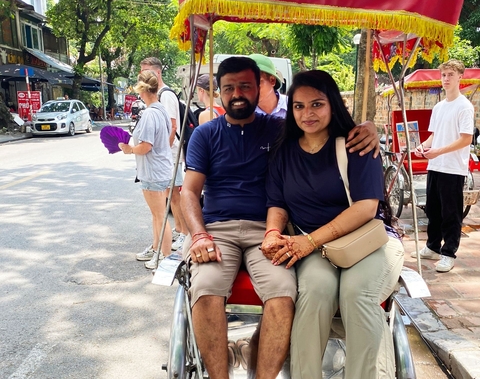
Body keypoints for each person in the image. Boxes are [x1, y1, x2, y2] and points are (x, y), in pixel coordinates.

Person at [180, 56, 380, 379]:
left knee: (283, 292)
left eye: (246, 85)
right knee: (204, 286)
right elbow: (188, 193)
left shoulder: (278, 130)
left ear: (260, 87)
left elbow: (324, 127)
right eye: (229, 88)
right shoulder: (206, 135)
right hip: (218, 229)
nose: (237, 94)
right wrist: (199, 235)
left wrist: (370, 127)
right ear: (218, 92)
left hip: (267, 230)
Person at [262, 70, 404, 379]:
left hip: (368, 243)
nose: (307, 114)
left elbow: (367, 208)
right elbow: (278, 204)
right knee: (315, 291)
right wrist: (273, 231)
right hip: (313, 249)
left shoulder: (356, 143)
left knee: (357, 294)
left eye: (317, 104)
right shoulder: (283, 150)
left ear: (333, 104)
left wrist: (310, 241)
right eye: (299, 106)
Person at [412, 59, 474, 273]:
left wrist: (438, 151)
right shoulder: (438, 106)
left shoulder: (465, 107)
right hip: (435, 166)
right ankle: (432, 246)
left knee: (451, 213)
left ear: (460, 77)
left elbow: (466, 139)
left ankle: (448, 252)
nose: (446, 79)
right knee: (433, 209)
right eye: (443, 75)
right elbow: (434, 135)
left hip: (453, 168)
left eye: (450, 75)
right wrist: (422, 147)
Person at [119, 70, 173, 269]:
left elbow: (146, 146)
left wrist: (129, 149)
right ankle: (159, 251)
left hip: (153, 171)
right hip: (160, 168)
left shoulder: (150, 114)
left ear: (142, 90)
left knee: (160, 216)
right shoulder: (160, 111)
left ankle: (165, 257)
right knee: (158, 215)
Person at [140, 57, 188, 251]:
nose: (142, 76)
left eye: (146, 72)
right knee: (171, 195)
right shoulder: (159, 94)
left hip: (170, 154)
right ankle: (178, 230)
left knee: (174, 196)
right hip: (167, 155)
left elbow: (172, 125)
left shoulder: (165, 95)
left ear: (157, 73)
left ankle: (183, 232)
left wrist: (162, 153)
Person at [250, 53, 287, 118]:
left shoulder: (293, 106)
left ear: (272, 80)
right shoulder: (244, 113)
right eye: (245, 85)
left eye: (257, 82)